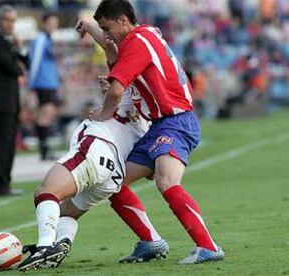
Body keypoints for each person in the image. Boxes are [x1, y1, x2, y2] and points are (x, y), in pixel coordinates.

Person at [87, 0, 224, 265]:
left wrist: (103, 115)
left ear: (124, 20)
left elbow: (117, 90)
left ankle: (208, 246)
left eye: (107, 28)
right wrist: (95, 34)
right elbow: (127, 79)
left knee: (166, 181)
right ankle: (150, 242)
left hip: (177, 122)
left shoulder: (136, 42)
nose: (106, 35)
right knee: (111, 182)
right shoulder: (145, 36)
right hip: (160, 125)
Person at [17, 76, 156, 272]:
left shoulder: (131, 95)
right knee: (66, 213)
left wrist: (113, 89)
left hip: (96, 148)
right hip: (112, 176)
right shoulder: (147, 118)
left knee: (46, 192)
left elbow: (119, 79)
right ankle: (61, 242)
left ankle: (45, 247)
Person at [0, 5, 29, 197]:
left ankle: (4, 183)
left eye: (13, 21)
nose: (11, 24)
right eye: (8, 20)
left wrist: (19, 47)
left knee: (8, 144)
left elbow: (26, 62)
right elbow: (13, 68)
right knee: (2, 145)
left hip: (8, 102)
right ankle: (0, 185)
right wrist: (16, 60)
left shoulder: (6, 43)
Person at [28, 13, 60, 161]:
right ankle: (44, 150)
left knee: (48, 114)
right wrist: (31, 84)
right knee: (44, 114)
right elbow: (34, 62)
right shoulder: (40, 39)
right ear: (44, 23)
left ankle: (45, 149)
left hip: (50, 83)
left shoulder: (48, 39)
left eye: (55, 23)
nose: (54, 26)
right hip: (43, 83)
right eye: (51, 23)